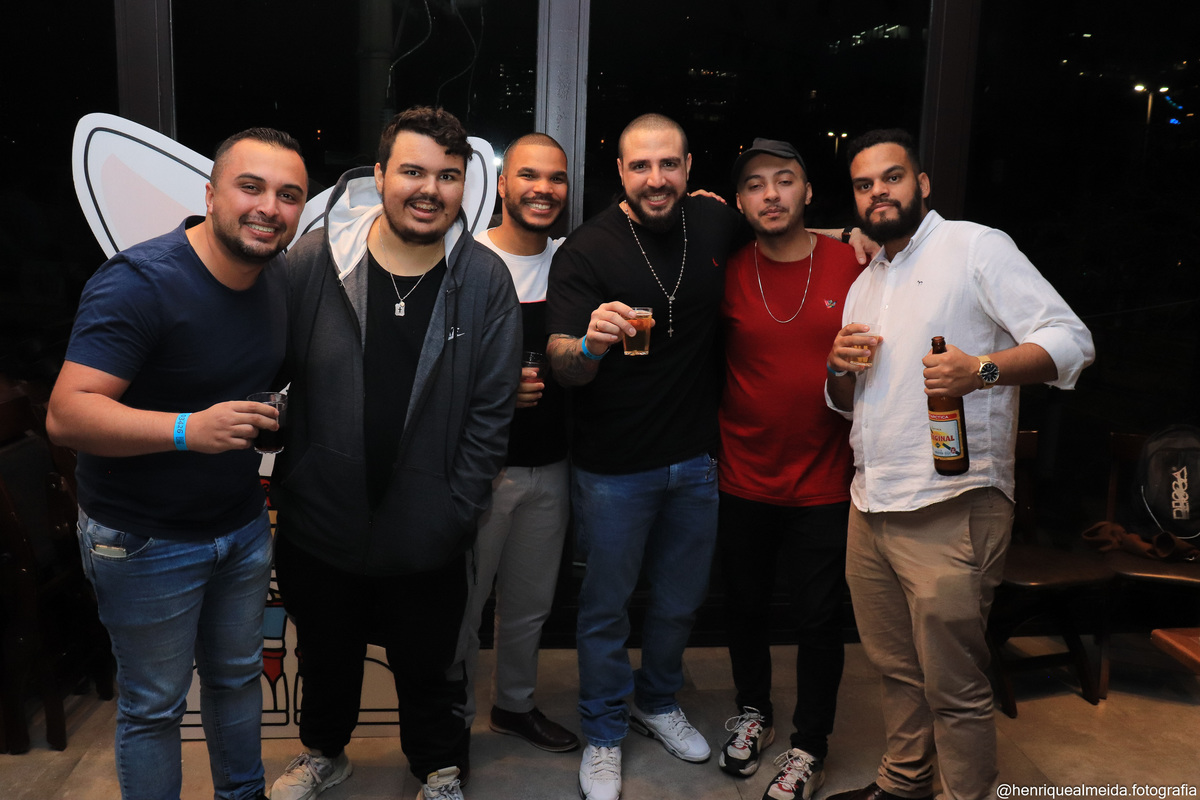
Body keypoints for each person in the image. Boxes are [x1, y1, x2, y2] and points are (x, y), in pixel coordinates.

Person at [824, 129, 1094, 800]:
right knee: (895, 668)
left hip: (951, 503)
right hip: (871, 503)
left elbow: (1071, 341)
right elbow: (847, 403)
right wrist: (836, 370)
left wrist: (983, 371)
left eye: (891, 177)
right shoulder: (865, 283)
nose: (878, 192)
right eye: (864, 184)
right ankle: (904, 782)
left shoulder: (977, 247)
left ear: (922, 184)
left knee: (955, 683)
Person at [46, 128, 308, 800]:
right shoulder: (140, 283)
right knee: (155, 707)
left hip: (239, 525)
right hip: (144, 538)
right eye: (251, 187)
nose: (269, 207)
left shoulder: (275, 277)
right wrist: (190, 429)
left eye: (288, 195)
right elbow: (67, 415)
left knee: (237, 680)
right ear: (211, 195)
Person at [267, 106, 521, 800]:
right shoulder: (315, 261)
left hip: (430, 525)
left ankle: (439, 769)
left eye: (448, 175)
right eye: (413, 171)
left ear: (464, 184)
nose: (429, 189)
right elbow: (269, 368)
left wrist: (457, 507)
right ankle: (325, 752)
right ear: (379, 175)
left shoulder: (485, 281)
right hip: (320, 519)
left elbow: (492, 412)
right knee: (325, 655)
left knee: (430, 664)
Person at [546, 112, 747, 800]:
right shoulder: (586, 250)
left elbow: (784, 233)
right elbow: (563, 364)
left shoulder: (713, 222)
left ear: (689, 169)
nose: (655, 179)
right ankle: (604, 732)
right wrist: (590, 344)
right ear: (621, 173)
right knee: (606, 609)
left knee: (680, 601)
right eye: (640, 166)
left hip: (695, 460)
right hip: (613, 470)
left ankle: (656, 701)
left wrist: (858, 238)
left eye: (668, 164)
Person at [716, 138, 861, 800]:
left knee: (818, 619)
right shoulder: (725, 269)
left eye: (783, 180)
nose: (770, 194)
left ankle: (810, 744)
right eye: (754, 184)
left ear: (807, 191)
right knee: (744, 607)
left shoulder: (853, 263)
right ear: (740, 202)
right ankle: (753, 712)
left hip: (825, 478)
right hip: (743, 472)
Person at [453, 132, 578, 753]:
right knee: (461, 607)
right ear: (502, 184)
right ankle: (446, 728)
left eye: (556, 178)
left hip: (551, 465)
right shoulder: (466, 261)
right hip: (480, 471)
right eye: (529, 175)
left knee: (530, 605)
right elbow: (433, 368)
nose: (543, 189)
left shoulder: (573, 263)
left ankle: (514, 706)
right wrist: (498, 391)